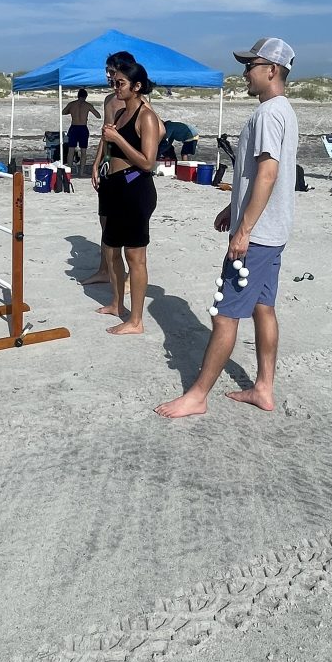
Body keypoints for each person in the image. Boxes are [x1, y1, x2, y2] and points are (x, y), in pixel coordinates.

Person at [156, 37, 298, 417]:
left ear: (271, 70)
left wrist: (244, 228)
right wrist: (232, 206)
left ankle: (197, 395)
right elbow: (262, 177)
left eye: (251, 66)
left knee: (224, 315)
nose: (245, 73)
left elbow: (268, 174)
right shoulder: (284, 110)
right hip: (273, 231)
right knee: (263, 308)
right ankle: (264, 388)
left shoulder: (268, 114)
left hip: (258, 236)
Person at [81, 51, 165, 285]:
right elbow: (107, 134)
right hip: (111, 174)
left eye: (113, 72)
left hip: (132, 177)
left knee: (132, 246)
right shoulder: (111, 101)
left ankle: (126, 280)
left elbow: (159, 133)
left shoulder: (140, 104)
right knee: (105, 225)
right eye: (108, 73)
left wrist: (127, 143)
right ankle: (104, 270)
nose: (110, 77)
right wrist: (97, 163)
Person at [92, 60, 160, 334]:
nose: (115, 86)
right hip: (114, 186)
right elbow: (109, 146)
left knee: (136, 257)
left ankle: (136, 320)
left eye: (120, 83)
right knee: (111, 249)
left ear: (137, 86)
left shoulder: (147, 117)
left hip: (135, 187)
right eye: (113, 82)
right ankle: (117, 303)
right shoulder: (120, 115)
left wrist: (118, 139)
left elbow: (147, 163)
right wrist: (99, 163)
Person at [61, 88, 101, 175]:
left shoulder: (72, 104)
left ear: (77, 95)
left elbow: (63, 112)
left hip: (74, 127)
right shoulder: (88, 105)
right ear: (86, 96)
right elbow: (98, 116)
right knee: (83, 151)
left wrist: (71, 111)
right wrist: (91, 110)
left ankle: (69, 171)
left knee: (71, 150)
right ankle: (81, 172)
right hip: (83, 128)